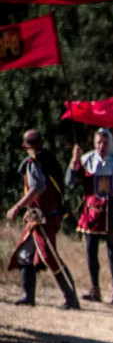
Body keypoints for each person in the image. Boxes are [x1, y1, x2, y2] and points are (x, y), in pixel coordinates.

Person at [5, 129, 80, 309]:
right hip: (38, 216)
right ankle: (28, 296)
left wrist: (18, 206)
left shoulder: (35, 162)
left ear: (24, 146)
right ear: (42, 142)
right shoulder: (49, 159)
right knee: (25, 253)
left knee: (50, 257)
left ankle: (71, 299)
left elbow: (37, 187)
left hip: (43, 218)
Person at [66, 127, 113, 304]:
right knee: (91, 251)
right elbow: (70, 181)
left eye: (104, 142)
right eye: (98, 142)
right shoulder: (86, 160)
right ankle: (95, 289)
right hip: (92, 213)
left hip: (112, 213)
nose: (101, 146)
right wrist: (74, 159)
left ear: (110, 143)